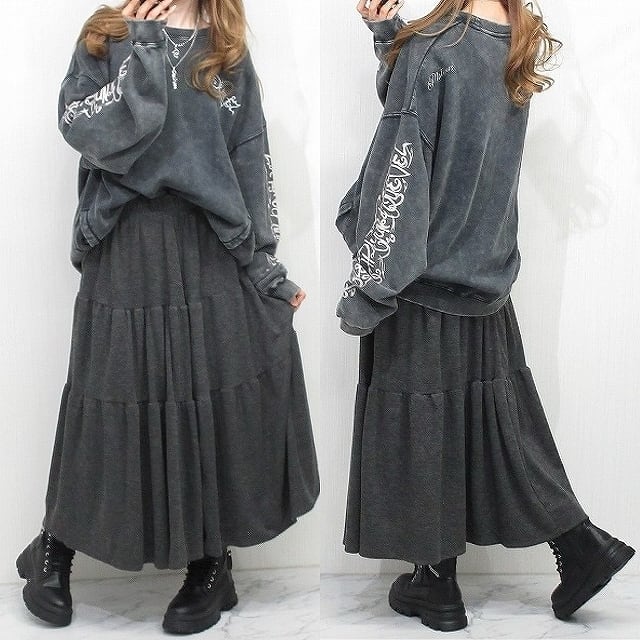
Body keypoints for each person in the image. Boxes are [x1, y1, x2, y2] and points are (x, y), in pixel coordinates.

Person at [15, 0, 320, 634]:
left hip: (207, 248)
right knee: (105, 401)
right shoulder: (106, 36)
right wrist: (144, 44)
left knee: (203, 402)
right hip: (124, 243)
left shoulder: (227, 52)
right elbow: (90, 131)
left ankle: (210, 563)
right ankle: (54, 546)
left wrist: (264, 266)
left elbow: (250, 160)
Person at [335, 0, 635, 632]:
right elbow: (442, 120)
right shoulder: (513, 43)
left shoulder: (434, 49)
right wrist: (388, 38)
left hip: (422, 279)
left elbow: (400, 174)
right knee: (497, 429)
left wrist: (369, 287)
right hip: (484, 278)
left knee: (422, 429)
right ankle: (575, 545)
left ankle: (438, 583)